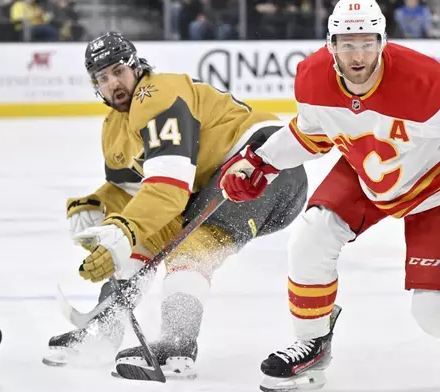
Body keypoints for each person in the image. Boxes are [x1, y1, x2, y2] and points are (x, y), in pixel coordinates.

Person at [217, 0, 440, 390]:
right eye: (346, 44)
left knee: (435, 313)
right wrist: (261, 162)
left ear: (383, 42)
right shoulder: (311, 78)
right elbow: (312, 135)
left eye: (366, 43)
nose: (357, 55)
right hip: (368, 172)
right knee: (311, 233)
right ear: (331, 45)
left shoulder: (423, 81)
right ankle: (312, 344)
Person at [42, 32, 308, 380]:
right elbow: (141, 190)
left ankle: (177, 346)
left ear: (135, 66)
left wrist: (124, 226)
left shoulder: (157, 94)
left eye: (119, 70)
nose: (114, 83)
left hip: (265, 165)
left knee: (193, 243)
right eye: (103, 78)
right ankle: (105, 328)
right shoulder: (113, 129)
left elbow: (169, 188)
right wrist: (98, 201)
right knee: (145, 233)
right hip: (214, 183)